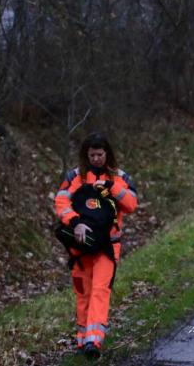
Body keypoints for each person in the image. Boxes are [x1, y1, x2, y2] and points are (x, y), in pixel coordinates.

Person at [54, 132, 138, 359]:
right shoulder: (75, 177)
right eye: (92, 155)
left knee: (101, 290)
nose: (96, 159)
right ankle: (83, 340)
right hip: (80, 246)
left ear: (107, 154)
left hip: (108, 247)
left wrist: (112, 188)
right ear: (86, 155)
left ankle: (94, 341)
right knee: (83, 292)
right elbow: (60, 202)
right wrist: (76, 222)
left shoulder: (120, 177)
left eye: (100, 154)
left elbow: (131, 205)